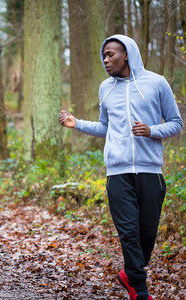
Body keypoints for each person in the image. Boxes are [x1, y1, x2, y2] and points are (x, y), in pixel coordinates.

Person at [59, 34, 183, 300]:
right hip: (117, 172)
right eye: (103, 56)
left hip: (151, 170)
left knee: (147, 233)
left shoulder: (156, 83)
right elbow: (106, 127)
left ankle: (130, 272)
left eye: (111, 55)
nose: (106, 60)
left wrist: (152, 130)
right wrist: (77, 123)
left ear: (126, 54)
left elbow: (176, 122)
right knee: (128, 232)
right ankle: (139, 291)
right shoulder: (106, 88)